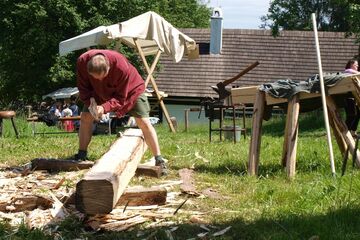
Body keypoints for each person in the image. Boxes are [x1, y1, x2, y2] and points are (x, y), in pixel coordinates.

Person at [74, 49, 167, 175]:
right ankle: (81, 154)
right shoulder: (82, 62)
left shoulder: (121, 66)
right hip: (97, 93)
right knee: (85, 117)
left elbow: (120, 98)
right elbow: (83, 88)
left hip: (130, 91)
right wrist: (91, 103)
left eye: (103, 77)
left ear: (108, 67)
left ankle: (159, 159)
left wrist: (104, 108)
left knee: (143, 121)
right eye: (96, 78)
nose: (100, 80)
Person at [344, 59, 360, 136]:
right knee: (352, 115)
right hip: (348, 97)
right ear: (351, 65)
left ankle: (353, 131)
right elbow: (348, 70)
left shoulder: (354, 74)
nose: (357, 66)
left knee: (358, 114)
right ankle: (345, 131)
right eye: (355, 65)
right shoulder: (348, 71)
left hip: (355, 97)